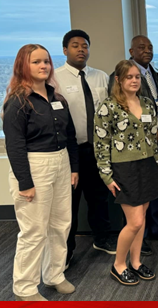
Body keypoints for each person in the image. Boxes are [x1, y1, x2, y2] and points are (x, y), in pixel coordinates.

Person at [3, 44, 79, 300]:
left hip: (61, 162)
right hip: (34, 166)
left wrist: (74, 168)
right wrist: (25, 182)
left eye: (46, 61)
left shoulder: (57, 98)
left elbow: (70, 136)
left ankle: (54, 275)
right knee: (34, 231)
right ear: (23, 65)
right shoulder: (18, 102)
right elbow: (14, 146)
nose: (43, 66)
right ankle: (24, 288)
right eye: (36, 62)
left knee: (61, 225)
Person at [96, 59, 158, 285]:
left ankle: (135, 262)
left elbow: (152, 137)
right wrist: (106, 175)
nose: (134, 81)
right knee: (134, 221)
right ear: (119, 80)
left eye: (137, 77)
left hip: (147, 165)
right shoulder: (109, 105)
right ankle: (118, 264)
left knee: (141, 217)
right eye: (129, 77)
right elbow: (101, 142)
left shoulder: (146, 103)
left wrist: (156, 164)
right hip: (124, 168)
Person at [53, 29, 116, 267]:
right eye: (76, 45)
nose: (81, 49)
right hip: (71, 151)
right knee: (69, 203)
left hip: (98, 149)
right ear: (65, 50)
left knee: (99, 198)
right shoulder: (55, 78)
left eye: (85, 46)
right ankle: (66, 252)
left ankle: (102, 238)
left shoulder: (100, 77)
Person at [120, 35, 158, 246]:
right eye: (141, 47)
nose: (147, 50)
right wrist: (150, 134)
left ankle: (156, 228)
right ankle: (137, 238)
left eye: (150, 47)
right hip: (135, 147)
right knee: (138, 191)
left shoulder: (157, 76)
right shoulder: (122, 76)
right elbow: (123, 116)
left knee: (156, 185)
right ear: (131, 51)